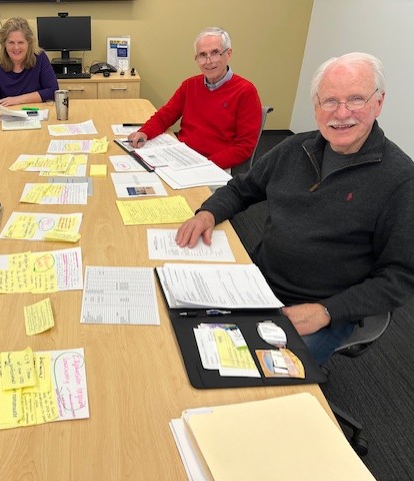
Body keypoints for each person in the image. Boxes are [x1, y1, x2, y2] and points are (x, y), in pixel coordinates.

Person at [175, 52, 414, 365]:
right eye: (329, 101)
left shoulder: (400, 179)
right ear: (315, 106)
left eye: (356, 99)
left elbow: (400, 276)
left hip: (326, 307)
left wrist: (328, 312)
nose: (341, 113)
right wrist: (208, 212)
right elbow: (242, 188)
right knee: (186, 335)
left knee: (250, 373)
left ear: (378, 103)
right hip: (258, 282)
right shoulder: (293, 149)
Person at [127, 27, 262, 171]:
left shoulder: (246, 91)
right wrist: (144, 132)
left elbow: (245, 146)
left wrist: (204, 164)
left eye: (215, 53)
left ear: (228, 54)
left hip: (215, 165)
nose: (208, 61)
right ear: (196, 59)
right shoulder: (189, 85)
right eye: (202, 55)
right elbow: (165, 116)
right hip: (182, 156)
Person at [0, 17, 59, 120]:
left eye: (21, 42)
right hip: (5, 119)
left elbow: (52, 91)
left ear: (29, 43)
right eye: (11, 42)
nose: (16, 48)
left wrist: (16, 100)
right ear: (4, 44)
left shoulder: (40, 58)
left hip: (35, 117)